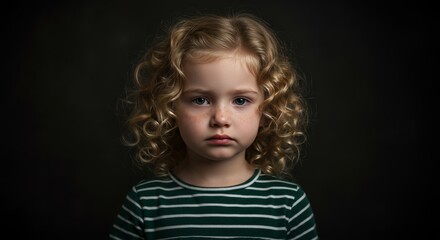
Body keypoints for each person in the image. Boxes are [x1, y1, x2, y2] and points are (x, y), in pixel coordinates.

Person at [110, 12, 319, 240]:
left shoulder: (287, 203)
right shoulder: (145, 203)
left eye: (241, 101)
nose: (220, 118)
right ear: (169, 107)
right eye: (200, 100)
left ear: (268, 109)